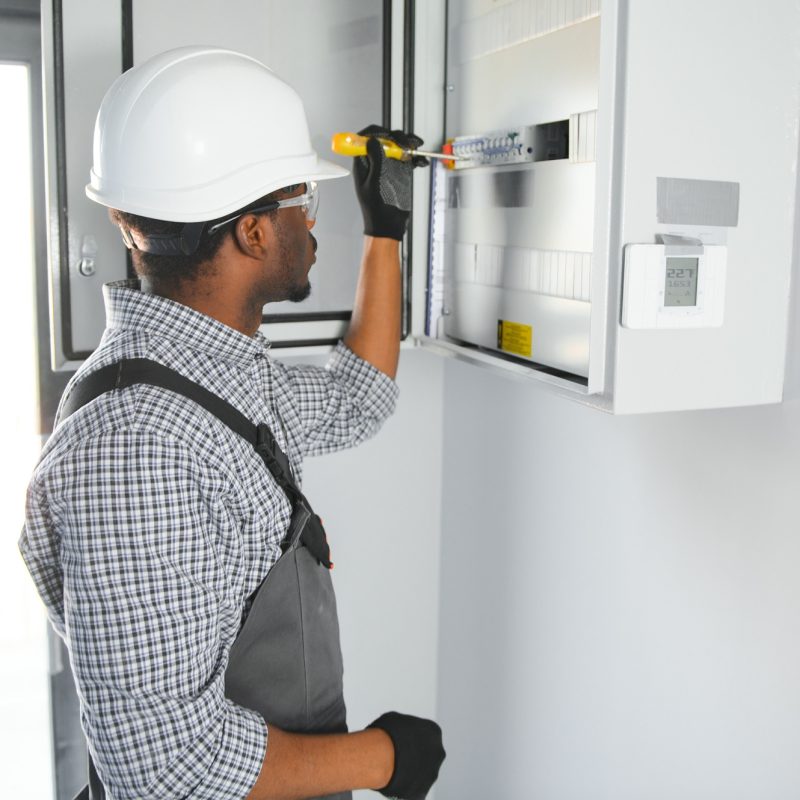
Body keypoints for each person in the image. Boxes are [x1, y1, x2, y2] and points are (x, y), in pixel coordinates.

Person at [19, 46, 445, 800]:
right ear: (252, 233)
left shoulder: (217, 375)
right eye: (302, 201)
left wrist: (387, 229)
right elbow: (164, 773)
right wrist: (384, 757)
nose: (312, 223)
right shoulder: (138, 450)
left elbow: (357, 401)